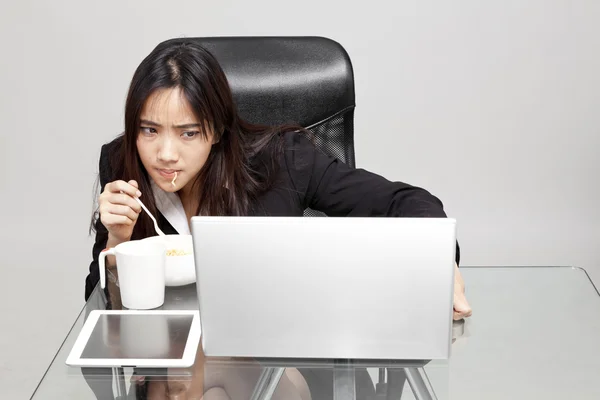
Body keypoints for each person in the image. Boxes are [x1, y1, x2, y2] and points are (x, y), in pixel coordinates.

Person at [86, 40, 472, 399]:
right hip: (173, 366)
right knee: (192, 379)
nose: (165, 153)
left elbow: (405, 202)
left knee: (194, 369)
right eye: (149, 130)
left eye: (187, 133)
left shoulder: (283, 159)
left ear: (217, 129)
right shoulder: (123, 166)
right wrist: (116, 242)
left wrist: (442, 265)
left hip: (283, 366)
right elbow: (100, 315)